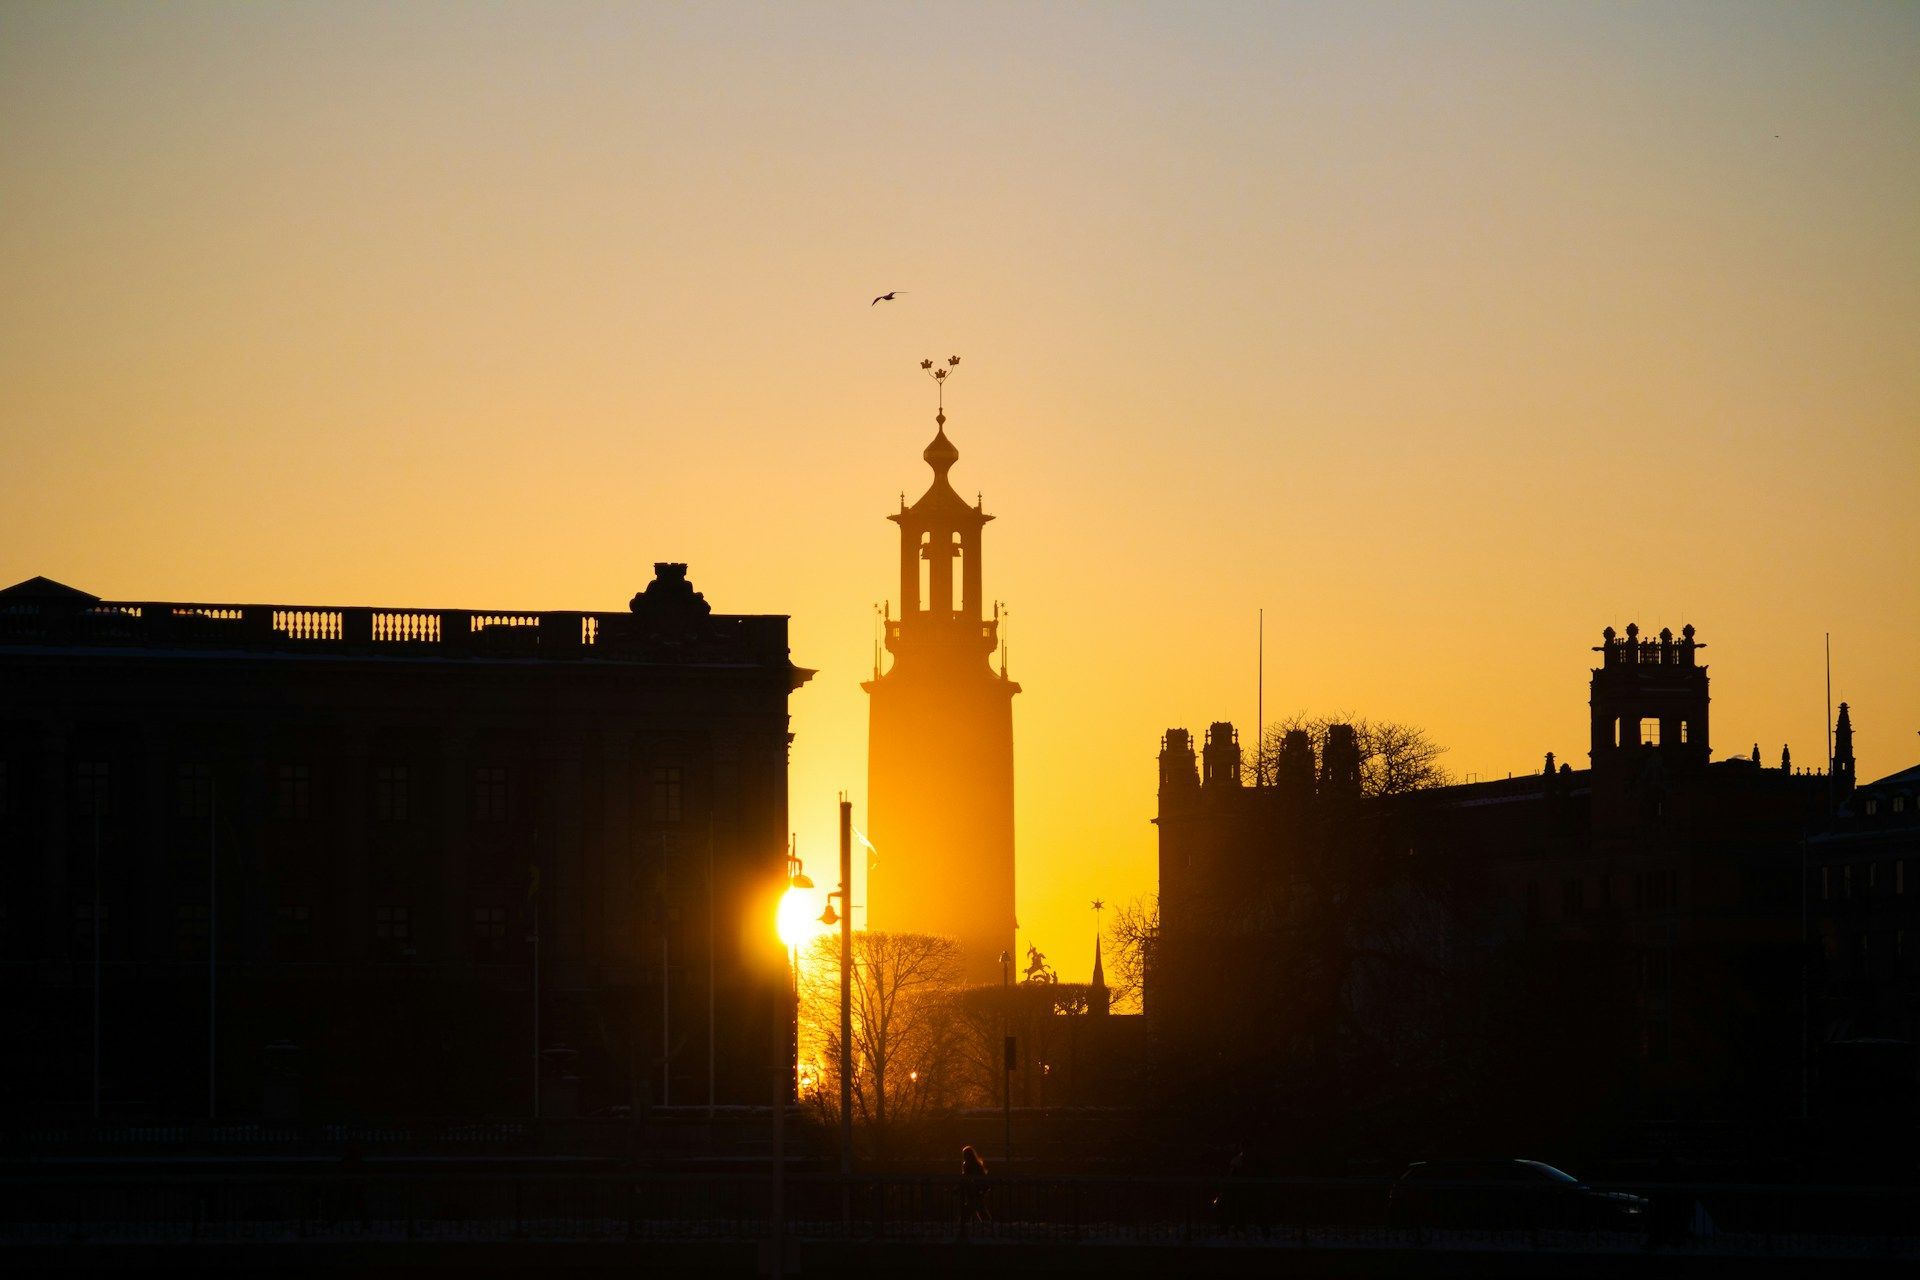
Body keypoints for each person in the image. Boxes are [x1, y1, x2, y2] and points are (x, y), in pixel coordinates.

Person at [960, 1145, 991, 1223]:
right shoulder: (977, 1164)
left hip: (973, 1190)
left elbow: (966, 1177)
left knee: (972, 1209)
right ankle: (987, 1225)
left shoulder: (968, 1165)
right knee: (978, 1208)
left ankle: (965, 1225)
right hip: (977, 1190)